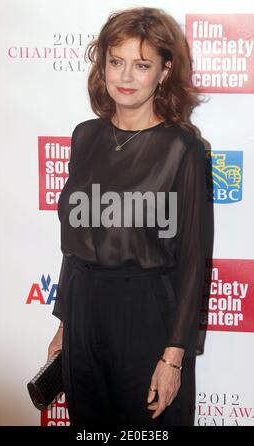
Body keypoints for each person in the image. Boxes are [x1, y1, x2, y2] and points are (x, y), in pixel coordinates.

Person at [48, 6, 208, 427]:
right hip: (83, 311)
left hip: (146, 314)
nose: (124, 76)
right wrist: (65, 325)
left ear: (164, 71)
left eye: (141, 65)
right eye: (115, 61)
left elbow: (193, 260)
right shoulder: (86, 136)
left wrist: (173, 358)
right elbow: (75, 240)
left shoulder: (182, 150)